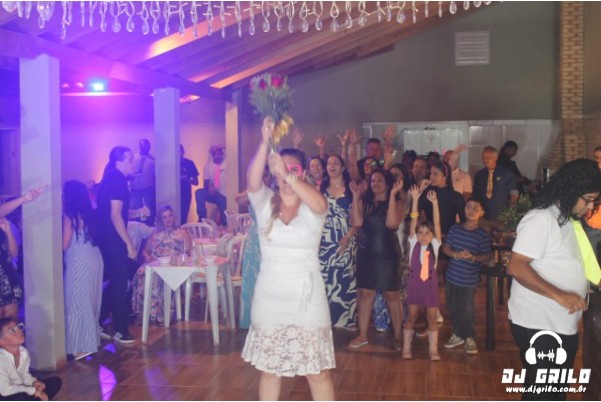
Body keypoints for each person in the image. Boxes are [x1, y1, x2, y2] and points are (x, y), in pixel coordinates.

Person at [241, 117, 334, 400]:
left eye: (293, 170)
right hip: (270, 297)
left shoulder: (313, 204)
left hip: (308, 298)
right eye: (281, 170)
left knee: (317, 371)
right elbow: (252, 181)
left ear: (302, 173)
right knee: (270, 369)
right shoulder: (265, 202)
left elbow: (321, 205)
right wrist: (264, 141)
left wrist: (287, 173)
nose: (285, 176)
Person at [507, 158, 601, 401]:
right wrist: (560, 295)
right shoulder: (542, 219)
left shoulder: (568, 219)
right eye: (588, 199)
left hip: (559, 323)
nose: (590, 206)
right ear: (571, 190)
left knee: (554, 393)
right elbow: (516, 266)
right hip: (539, 322)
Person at [97, 146, 149, 344]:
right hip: (113, 240)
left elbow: (115, 212)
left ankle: (97, 321)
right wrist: (129, 245)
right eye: (130, 160)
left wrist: (136, 213)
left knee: (118, 281)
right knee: (119, 283)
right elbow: (115, 216)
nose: (134, 163)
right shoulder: (116, 180)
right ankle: (120, 330)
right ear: (119, 161)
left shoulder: (112, 178)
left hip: (108, 238)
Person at [349, 169, 404, 351]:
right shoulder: (363, 201)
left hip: (388, 254)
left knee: (392, 295)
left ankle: (398, 335)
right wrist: (355, 197)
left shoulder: (397, 201)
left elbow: (392, 224)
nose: (376, 184)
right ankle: (363, 335)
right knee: (365, 294)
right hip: (367, 253)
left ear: (387, 184)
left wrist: (392, 196)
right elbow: (356, 223)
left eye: (380, 180)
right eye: (373, 181)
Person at [441, 197, 492, 355]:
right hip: (452, 277)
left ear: (481, 212)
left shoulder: (482, 235)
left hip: (468, 280)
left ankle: (470, 337)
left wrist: (473, 258)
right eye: (469, 207)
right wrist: (454, 254)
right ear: (464, 209)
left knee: (467, 309)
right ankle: (457, 334)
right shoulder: (455, 229)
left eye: (476, 208)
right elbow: (446, 247)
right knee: (452, 306)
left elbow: (487, 256)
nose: (471, 210)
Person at [62, 180, 103, 360]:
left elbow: (65, 244)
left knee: (76, 301)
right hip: (94, 257)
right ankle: (90, 340)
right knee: (90, 300)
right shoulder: (91, 213)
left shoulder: (69, 216)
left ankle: (80, 346)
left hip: (79, 260)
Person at [131, 205, 191, 325]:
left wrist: (180, 258)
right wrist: (148, 257)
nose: (168, 219)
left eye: (170, 216)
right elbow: (145, 250)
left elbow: (189, 251)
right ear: (161, 220)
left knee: (158, 277)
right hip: (155, 261)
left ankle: (160, 314)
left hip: (172, 264)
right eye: (165, 217)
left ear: (173, 217)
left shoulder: (182, 232)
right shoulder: (155, 233)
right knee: (141, 272)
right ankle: (142, 313)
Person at [319, 154, 357, 329]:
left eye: (335, 163)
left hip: (347, 239)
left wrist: (348, 236)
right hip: (325, 242)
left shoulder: (351, 189)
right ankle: (325, 319)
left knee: (345, 278)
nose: (331, 165)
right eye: (328, 163)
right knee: (326, 279)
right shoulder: (320, 189)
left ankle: (346, 320)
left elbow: (358, 218)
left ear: (343, 167)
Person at [403, 186, 442, 361]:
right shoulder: (413, 243)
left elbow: (437, 223)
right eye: (420, 233)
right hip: (414, 284)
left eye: (427, 233)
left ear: (432, 235)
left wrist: (435, 204)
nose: (423, 236)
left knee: (431, 318)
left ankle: (433, 349)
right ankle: (406, 347)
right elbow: (413, 220)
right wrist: (416, 199)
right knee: (411, 316)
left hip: (430, 286)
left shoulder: (435, 245)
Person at [0, 186, 45, 321]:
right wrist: (23, 199)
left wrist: (8, 231)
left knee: (12, 326)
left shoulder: (3, 222)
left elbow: (13, 253)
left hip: (7, 278)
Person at [0, 318, 62, 401]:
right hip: (5, 394)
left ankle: (37, 398)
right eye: (12, 330)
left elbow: (24, 376)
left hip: (20, 389)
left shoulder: (24, 352)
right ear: (2, 341)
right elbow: (5, 390)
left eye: (18, 327)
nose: (19, 331)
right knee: (20, 397)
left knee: (55, 381)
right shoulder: (1, 359)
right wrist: (32, 391)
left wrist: (33, 383)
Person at [473, 146, 518, 221]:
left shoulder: (506, 174)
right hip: (483, 216)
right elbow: (475, 195)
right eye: (483, 157)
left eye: (488, 158)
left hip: (502, 216)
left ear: (495, 158)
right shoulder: (479, 175)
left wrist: (510, 213)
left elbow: (513, 194)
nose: (485, 160)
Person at [195, 145, 227, 227]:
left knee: (224, 220)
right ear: (212, 156)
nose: (217, 156)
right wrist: (209, 186)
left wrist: (218, 146)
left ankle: (224, 225)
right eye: (215, 154)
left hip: (224, 195)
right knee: (199, 192)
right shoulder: (208, 165)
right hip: (214, 193)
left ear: (222, 154)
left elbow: (229, 147)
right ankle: (203, 220)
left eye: (219, 154)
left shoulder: (227, 162)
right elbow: (206, 182)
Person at [130, 139, 156, 224]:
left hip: (148, 190)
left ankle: (148, 228)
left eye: (148, 145)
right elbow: (129, 171)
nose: (146, 147)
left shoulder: (153, 160)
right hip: (134, 190)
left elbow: (155, 176)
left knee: (147, 212)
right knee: (134, 212)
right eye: (144, 145)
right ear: (140, 146)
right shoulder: (133, 158)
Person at [180, 144, 200, 225]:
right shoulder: (170, 164)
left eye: (180, 151)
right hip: (171, 194)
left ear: (183, 152)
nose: (178, 153)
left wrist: (186, 179)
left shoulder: (189, 163)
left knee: (183, 219)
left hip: (185, 194)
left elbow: (196, 182)